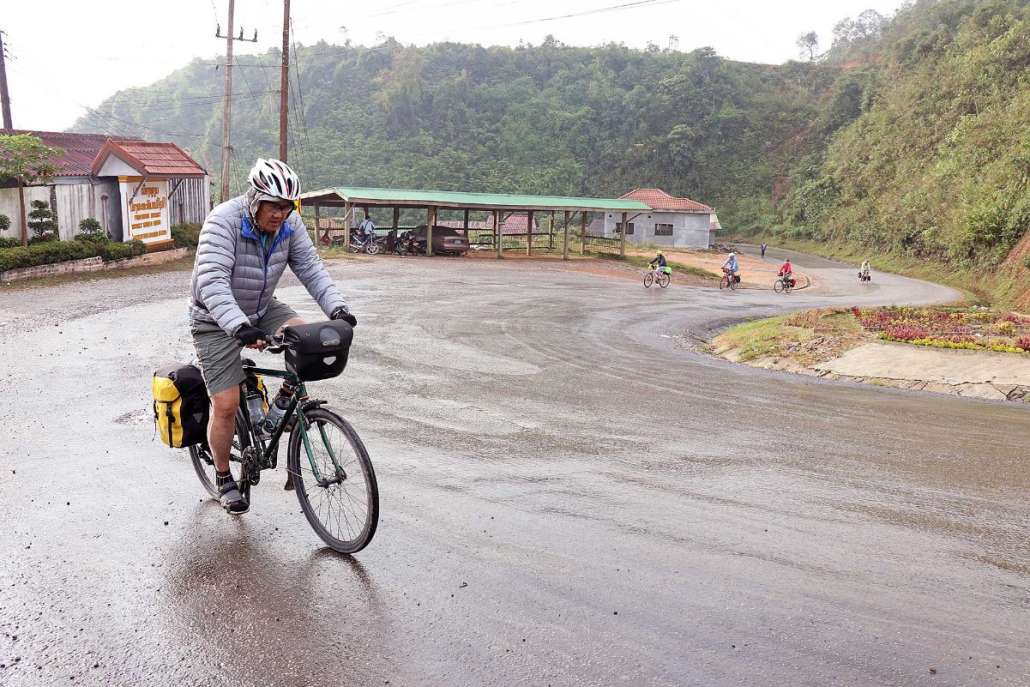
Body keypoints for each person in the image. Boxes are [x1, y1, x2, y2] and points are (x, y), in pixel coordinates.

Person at [189, 158, 357, 515]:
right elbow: (212, 281)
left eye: (287, 207)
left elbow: (311, 268)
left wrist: (338, 309)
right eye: (274, 206)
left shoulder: (290, 225)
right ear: (255, 199)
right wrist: (238, 326)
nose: (281, 214)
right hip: (214, 321)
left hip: (262, 308)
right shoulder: (223, 221)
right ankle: (223, 478)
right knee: (226, 405)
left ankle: (282, 409)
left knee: (310, 338)